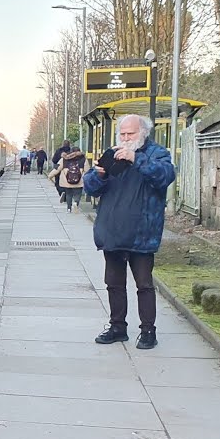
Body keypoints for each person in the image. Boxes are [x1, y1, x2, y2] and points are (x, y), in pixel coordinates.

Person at [82, 114, 176, 350]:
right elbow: (91, 188)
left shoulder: (157, 154)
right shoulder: (111, 153)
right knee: (113, 283)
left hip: (141, 232)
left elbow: (165, 176)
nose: (125, 139)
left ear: (143, 133)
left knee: (144, 284)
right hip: (112, 229)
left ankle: (147, 331)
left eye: (130, 134)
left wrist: (136, 158)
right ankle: (117, 327)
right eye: (122, 134)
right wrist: (100, 174)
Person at [57, 145, 86, 212]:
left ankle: (69, 208)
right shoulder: (83, 159)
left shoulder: (64, 159)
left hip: (67, 180)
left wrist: (50, 176)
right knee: (78, 194)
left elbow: (57, 168)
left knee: (68, 194)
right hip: (79, 180)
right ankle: (76, 203)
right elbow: (87, 170)